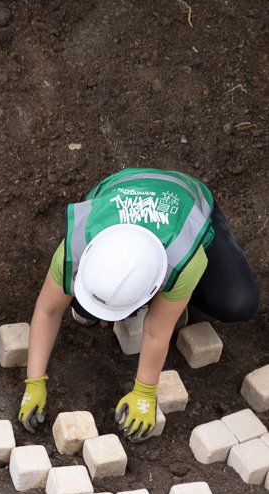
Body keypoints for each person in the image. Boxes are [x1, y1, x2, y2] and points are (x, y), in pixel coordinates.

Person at [17, 168, 261, 441]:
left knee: (237, 303)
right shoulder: (75, 247)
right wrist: (34, 382)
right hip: (122, 188)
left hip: (184, 200)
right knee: (88, 308)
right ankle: (120, 302)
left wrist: (145, 391)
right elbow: (47, 310)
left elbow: (157, 330)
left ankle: (174, 300)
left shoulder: (183, 258)